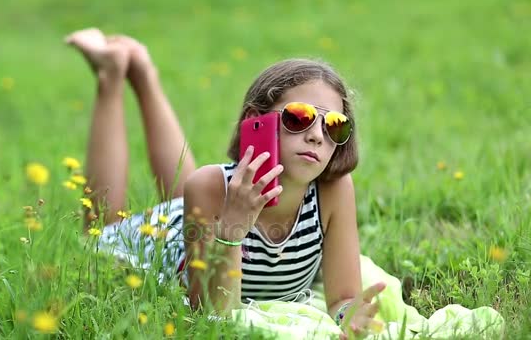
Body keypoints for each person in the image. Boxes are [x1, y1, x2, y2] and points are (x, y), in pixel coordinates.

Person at [65, 27, 386, 338]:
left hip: (198, 219)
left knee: (189, 188)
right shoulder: (210, 187)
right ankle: (111, 75)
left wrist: (349, 316)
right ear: (255, 121)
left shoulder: (334, 190)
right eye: (299, 117)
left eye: (334, 125)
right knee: (102, 228)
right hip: (166, 238)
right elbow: (210, 311)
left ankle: (143, 72)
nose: (317, 135)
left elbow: (343, 299)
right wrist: (233, 225)